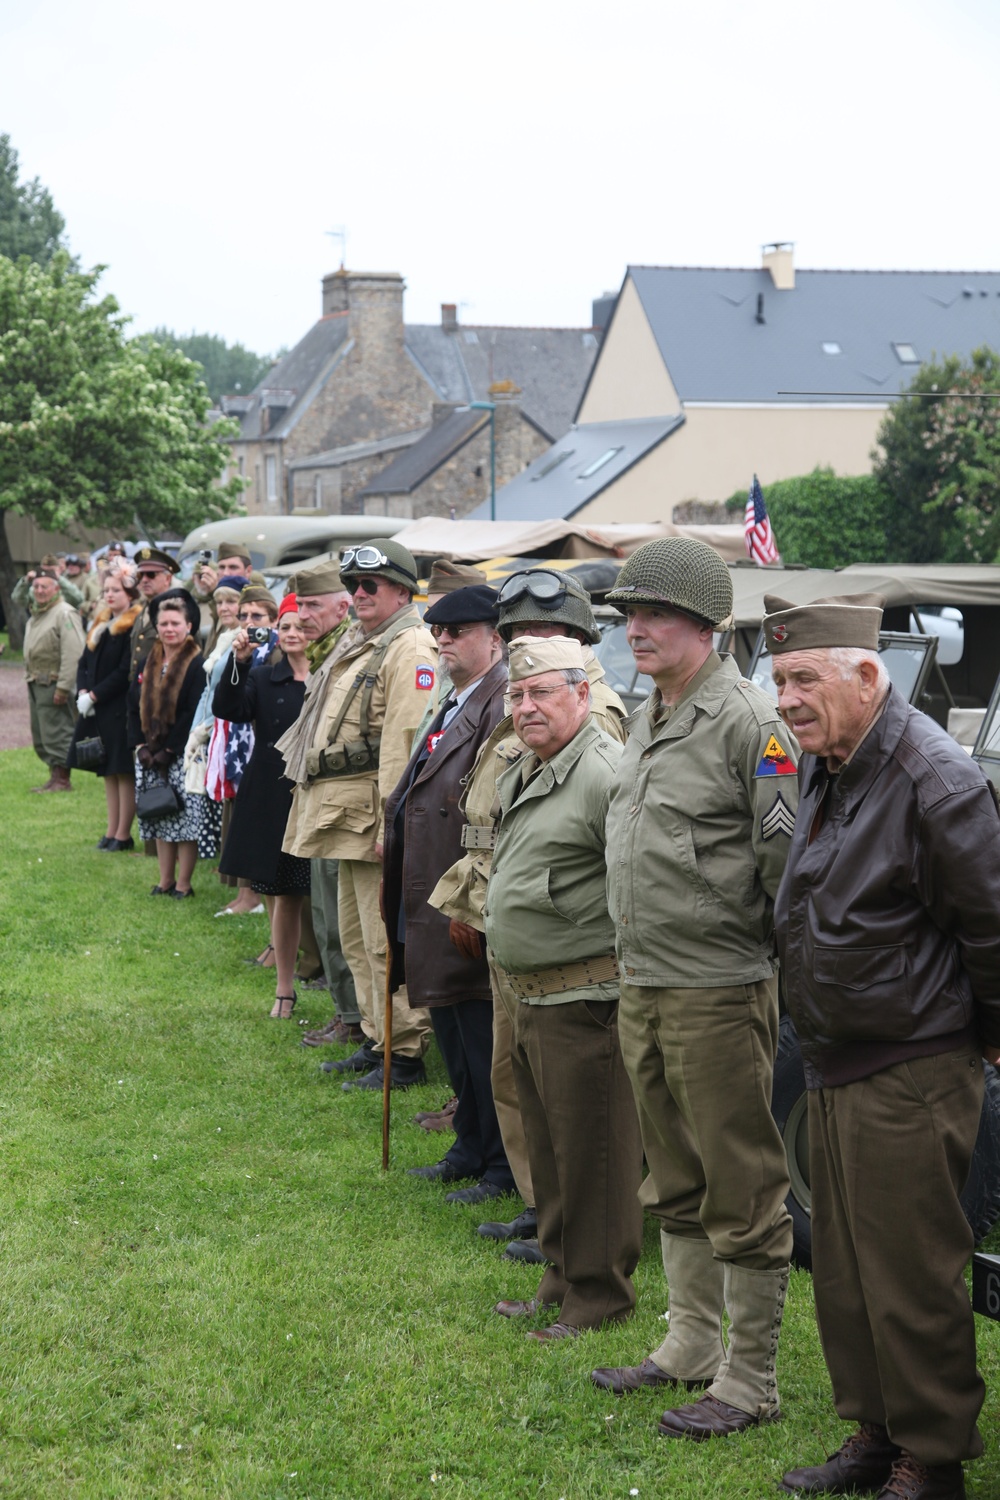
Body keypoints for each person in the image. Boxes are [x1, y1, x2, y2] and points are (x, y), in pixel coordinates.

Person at [766, 594, 1000, 1500]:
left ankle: (931, 1459)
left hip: (911, 1065)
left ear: (869, 678)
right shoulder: (837, 759)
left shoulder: (933, 776)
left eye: (803, 679)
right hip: (838, 1056)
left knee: (911, 1273)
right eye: (780, 679)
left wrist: (982, 1046)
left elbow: (990, 925)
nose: (785, 699)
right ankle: (874, 1433)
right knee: (847, 1268)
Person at [595, 537, 797, 1443]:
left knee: (741, 1183)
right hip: (644, 978)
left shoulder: (753, 722)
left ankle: (750, 1378)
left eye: (655, 615)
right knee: (671, 1172)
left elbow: (784, 867)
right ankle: (687, 1344)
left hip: (718, 986)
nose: (635, 629)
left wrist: (742, 949)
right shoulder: (648, 711)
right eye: (628, 615)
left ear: (705, 624)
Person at [430, 573, 628, 1260]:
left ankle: (563, 1215)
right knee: (516, 1076)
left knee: (563, 1097)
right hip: (512, 904)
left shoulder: (591, 714)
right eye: (515, 635)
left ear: (574, 642)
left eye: (539, 635)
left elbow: (599, 845)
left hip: (567, 940)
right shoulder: (527, 699)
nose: (523, 647)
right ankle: (542, 1204)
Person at [485, 636, 643, 1341]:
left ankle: (599, 1294)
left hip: (585, 999)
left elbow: (636, 888)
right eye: (517, 695)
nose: (526, 707)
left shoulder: (605, 772)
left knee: (594, 1155)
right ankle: (561, 1272)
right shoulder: (532, 767)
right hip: (530, 992)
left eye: (543, 692)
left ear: (582, 694)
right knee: (549, 1149)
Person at [281, 541, 438, 1090]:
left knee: (381, 939)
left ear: (402, 589)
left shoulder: (411, 647)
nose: (359, 594)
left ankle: (405, 1052)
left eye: (370, 585)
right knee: (356, 936)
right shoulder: (367, 640)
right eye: (352, 586)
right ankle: (377, 1039)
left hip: (374, 816)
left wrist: (394, 826)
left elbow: (405, 741)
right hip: (347, 813)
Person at [383, 585, 513, 1204]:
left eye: (458, 632)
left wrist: (475, 900)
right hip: (434, 890)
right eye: (440, 631)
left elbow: (492, 808)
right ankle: (468, 1145)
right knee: (453, 1027)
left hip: (463, 896)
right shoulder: (458, 696)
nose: (444, 641)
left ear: (495, 635)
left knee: (481, 1035)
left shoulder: (503, 698)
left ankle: (499, 1166)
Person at [275, 561, 363, 1046]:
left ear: (341, 606)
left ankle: (356, 1017)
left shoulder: (350, 649)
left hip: (349, 803)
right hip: (325, 796)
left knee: (347, 922)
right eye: (300, 605)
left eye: (312, 605)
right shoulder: (329, 650)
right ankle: (346, 1010)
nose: (302, 615)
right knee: (329, 916)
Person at [214, 593, 312, 1019]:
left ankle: (330, 977)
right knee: (284, 893)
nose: (291, 634)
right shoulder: (264, 675)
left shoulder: (333, 675)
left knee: (327, 898)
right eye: (284, 627)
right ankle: (284, 990)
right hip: (273, 795)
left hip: (320, 793)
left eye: (299, 626)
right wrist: (238, 661)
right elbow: (228, 708)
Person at [131, 588, 215, 898]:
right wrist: (140, 744)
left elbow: (194, 710)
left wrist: (169, 750)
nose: (169, 629)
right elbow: (132, 703)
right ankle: (164, 880)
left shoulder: (197, 662)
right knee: (159, 816)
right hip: (147, 755)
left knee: (184, 821)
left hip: (182, 755)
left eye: (175, 623)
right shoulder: (147, 661)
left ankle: (184, 883)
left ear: (189, 626)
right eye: (163, 623)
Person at [68, 560, 142, 846]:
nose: (110, 595)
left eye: (116, 590)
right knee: (107, 769)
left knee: (122, 769)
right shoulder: (101, 622)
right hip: (98, 705)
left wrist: (95, 694)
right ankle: (111, 830)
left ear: (130, 593)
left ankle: (123, 834)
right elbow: (84, 661)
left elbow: (124, 670)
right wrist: (84, 688)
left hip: (118, 707)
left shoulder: (133, 624)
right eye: (106, 590)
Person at [22, 569, 86, 792]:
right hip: (36, 681)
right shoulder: (40, 612)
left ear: (56, 589)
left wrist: (64, 687)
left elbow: (73, 653)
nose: (40, 591)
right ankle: (54, 776)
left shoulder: (64, 613)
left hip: (53, 682)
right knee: (42, 733)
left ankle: (62, 779)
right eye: (36, 586)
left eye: (45, 586)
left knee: (58, 732)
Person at [129, 547, 182, 683]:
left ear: (168, 578)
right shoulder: (141, 612)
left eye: (151, 574)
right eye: (141, 575)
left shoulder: (179, 613)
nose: (145, 580)